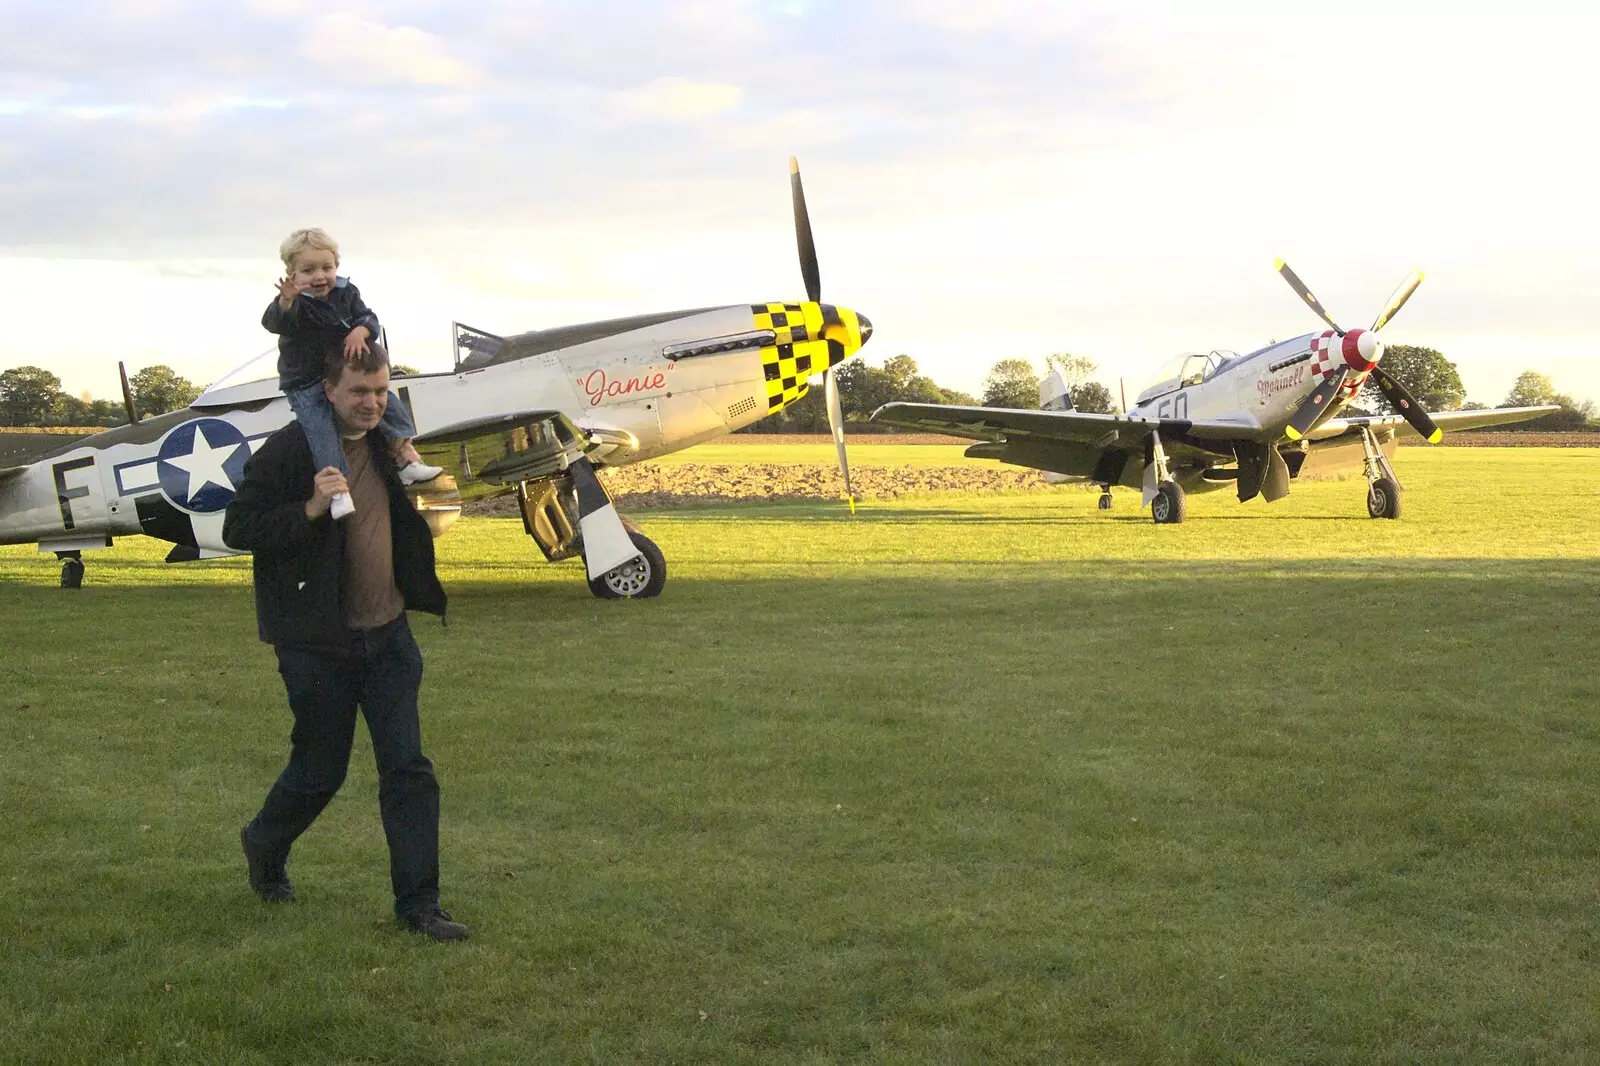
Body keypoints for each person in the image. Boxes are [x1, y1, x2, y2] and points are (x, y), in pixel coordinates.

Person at [222, 343, 469, 942]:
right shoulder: (290, 449)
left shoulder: (389, 447)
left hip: (389, 638)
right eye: (359, 391)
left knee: (408, 769)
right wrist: (309, 506)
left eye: (381, 391)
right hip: (316, 645)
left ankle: (420, 907)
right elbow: (239, 527)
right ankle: (265, 841)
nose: (372, 402)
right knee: (318, 771)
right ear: (327, 390)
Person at [264, 227, 440, 519]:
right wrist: (285, 301)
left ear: (337, 266)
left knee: (386, 402)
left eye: (326, 267)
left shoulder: (346, 292)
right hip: (305, 383)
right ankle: (338, 492)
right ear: (292, 274)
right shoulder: (296, 304)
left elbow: (368, 317)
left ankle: (406, 458)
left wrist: (361, 330)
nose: (320, 276)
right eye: (308, 270)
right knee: (322, 431)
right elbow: (275, 322)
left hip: (341, 376)